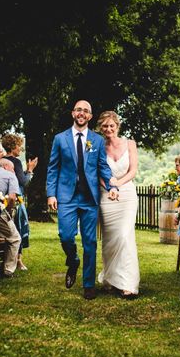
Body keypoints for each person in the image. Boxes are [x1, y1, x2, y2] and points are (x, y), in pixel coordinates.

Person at [46, 100, 118, 300]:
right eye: (79, 110)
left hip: (89, 198)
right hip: (66, 197)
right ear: (72, 113)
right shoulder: (60, 139)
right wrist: (51, 193)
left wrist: (112, 186)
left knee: (90, 242)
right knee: (66, 236)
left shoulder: (96, 140)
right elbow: (53, 168)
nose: (82, 113)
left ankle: (88, 284)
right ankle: (73, 260)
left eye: (86, 111)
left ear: (90, 116)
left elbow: (103, 166)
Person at [96, 110, 140, 297]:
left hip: (127, 194)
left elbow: (133, 171)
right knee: (110, 240)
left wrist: (117, 184)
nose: (108, 129)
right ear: (100, 128)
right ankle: (111, 278)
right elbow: (96, 172)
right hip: (106, 196)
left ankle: (128, 283)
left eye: (111, 125)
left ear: (117, 126)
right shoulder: (98, 146)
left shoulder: (130, 144)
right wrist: (108, 187)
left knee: (124, 235)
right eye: (105, 126)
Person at [2, 132, 38, 270]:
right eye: (19, 146)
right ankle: (18, 260)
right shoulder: (15, 162)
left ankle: (9, 259)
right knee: (19, 228)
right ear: (13, 147)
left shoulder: (1, 160)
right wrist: (29, 170)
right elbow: (22, 182)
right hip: (15, 200)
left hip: (2, 199)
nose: (20, 149)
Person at [0, 158, 22, 277]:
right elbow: (12, 198)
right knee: (15, 238)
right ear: (6, 167)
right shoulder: (10, 176)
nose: (14, 171)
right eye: (13, 169)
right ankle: (8, 269)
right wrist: (9, 211)